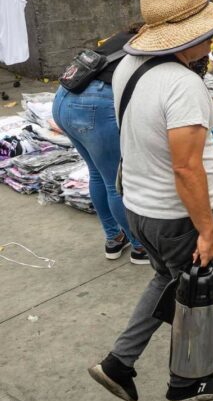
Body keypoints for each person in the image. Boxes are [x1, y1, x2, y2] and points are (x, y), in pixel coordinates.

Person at [87, 0, 213, 401]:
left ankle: (119, 362)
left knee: (169, 280)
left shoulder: (128, 65)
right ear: (185, 37)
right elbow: (186, 167)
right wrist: (207, 231)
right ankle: (188, 384)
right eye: (206, 32)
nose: (212, 39)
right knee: (199, 297)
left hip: (140, 208)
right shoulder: (181, 85)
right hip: (179, 216)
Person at [52, 24, 149, 265]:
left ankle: (114, 238)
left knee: (97, 174)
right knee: (117, 181)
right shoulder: (156, 47)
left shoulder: (127, 36)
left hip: (63, 98)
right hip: (93, 106)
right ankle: (140, 247)